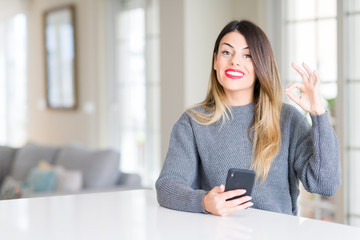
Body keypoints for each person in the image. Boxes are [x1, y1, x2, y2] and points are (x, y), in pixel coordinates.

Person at [155, 20, 341, 216]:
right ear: (215, 61)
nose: (235, 61)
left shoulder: (288, 120)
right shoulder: (193, 122)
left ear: (261, 64)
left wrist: (318, 114)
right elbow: (168, 186)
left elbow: (325, 185)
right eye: (227, 52)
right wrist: (203, 202)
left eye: (247, 55)